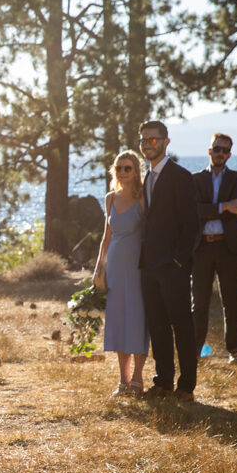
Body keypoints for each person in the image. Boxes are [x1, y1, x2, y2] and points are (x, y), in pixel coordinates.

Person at [138, 121, 200, 402]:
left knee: (181, 326)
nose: (148, 144)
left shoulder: (180, 176)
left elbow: (191, 223)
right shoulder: (145, 177)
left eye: (153, 140)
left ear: (166, 142)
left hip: (172, 266)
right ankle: (163, 382)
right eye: (144, 140)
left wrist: (179, 259)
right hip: (148, 266)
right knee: (157, 326)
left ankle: (186, 386)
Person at [93, 151, 149, 396]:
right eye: (119, 168)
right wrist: (99, 267)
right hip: (115, 265)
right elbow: (106, 237)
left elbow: (149, 233)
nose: (123, 172)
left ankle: (137, 377)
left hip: (137, 266)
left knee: (137, 319)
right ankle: (122, 379)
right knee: (118, 320)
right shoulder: (109, 198)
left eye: (128, 168)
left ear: (136, 171)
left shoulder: (143, 197)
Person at [191, 133, 237, 365]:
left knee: (231, 301)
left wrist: (211, 208)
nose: (220, 153)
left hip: (228, 247)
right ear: (209, 150)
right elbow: (194, 210)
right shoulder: (195, 179)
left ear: (229, 154)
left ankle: (234, 350)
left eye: (225, 150)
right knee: (199, 302)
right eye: (217, 149)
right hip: (202, 247)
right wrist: (224, 206)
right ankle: (193, 351)